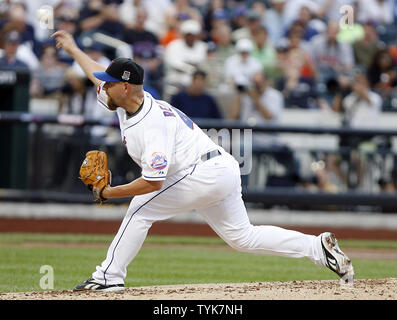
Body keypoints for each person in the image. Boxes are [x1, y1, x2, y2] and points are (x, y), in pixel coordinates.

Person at [52, 30, 354, 292]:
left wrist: (108, 193)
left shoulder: (151, 122)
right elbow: (96, 73)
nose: (102, 86)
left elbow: (154, 182)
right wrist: (75, 49)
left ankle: (108, 277)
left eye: (110, 82)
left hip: (202, 172)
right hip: (218, 168)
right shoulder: (122, 101)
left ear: (126, 86)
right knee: (242, 237)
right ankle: (317, 247)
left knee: (139, 210)